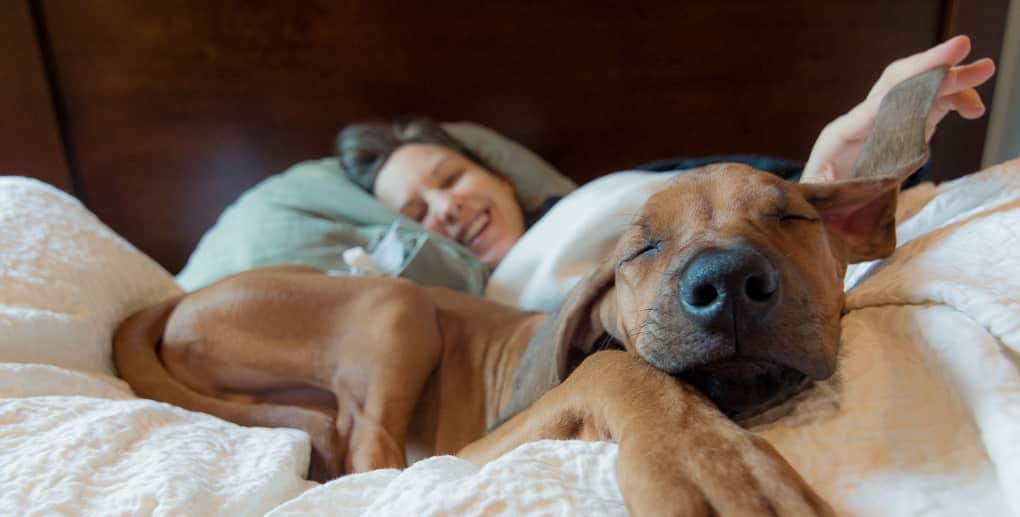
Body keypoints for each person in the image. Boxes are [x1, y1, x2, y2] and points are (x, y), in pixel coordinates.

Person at [337, 35, 995, 271]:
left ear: (501, 178)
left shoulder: (613, 195)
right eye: (417, 212)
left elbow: (787, 206)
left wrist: (832, 173)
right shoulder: (454, 321)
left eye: (450, 177)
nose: (446, 209)